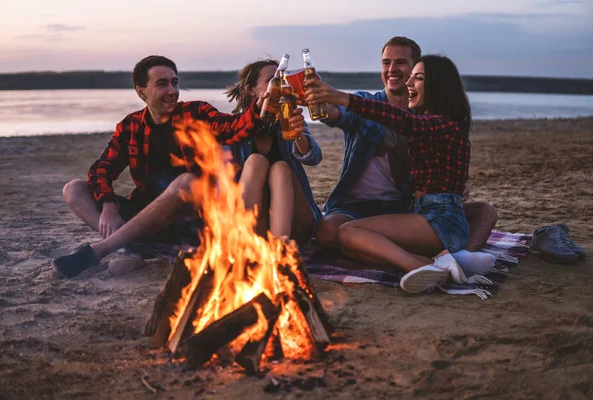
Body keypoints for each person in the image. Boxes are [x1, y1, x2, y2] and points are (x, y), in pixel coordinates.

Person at [54, 55, 307, 279]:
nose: (172, 90)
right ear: (141, 91)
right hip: (146, 214)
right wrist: (108, 203)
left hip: (190, 220)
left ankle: (103, 249)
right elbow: (102, 168)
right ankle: (127, 245)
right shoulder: (130, 125)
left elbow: (235, 127)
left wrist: (261, 106)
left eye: (174, 82)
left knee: (186, 181)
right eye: (162, 84)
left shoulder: (195, 113)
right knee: (74, 189)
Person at [313, 37, 497, 276]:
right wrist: (319, 98)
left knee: (350, 234)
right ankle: (435, 261)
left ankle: (434, 266)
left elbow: (406, 123)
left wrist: (340, 95)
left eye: (404, 65)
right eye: (386, 62)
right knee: (347, 241)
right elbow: (337, 115)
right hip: (414, 210)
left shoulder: (433, 122)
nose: (394, 71)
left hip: (428, 213)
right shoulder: (388, 107)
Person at [225, 60, 322, 245]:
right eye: (273, 80)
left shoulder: (288, 118)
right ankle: (242, 242)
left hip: (296, 224)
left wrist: (298, 134)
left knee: (281, 167)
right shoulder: (236, 126)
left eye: (282, 79)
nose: (280, 84)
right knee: (255, 161)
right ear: (251, 90)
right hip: (256, 224)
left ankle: (280, 249)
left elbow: (314, 157)